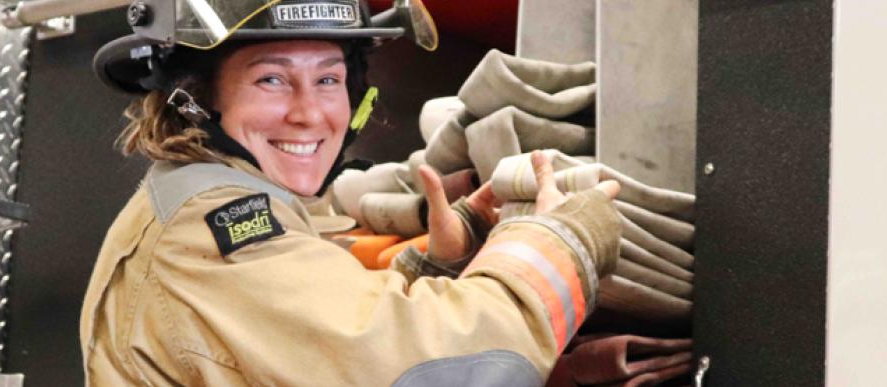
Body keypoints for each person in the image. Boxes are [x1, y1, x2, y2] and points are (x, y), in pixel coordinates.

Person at [81, 1, 623, 386]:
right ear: (193, 100)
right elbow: (448, 370)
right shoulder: (215, 228)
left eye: (329, 80)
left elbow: (308, 353)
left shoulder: (199, 203)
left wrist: (440, 270)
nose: (310, 113)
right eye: (271, 79)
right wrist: (559, 239)